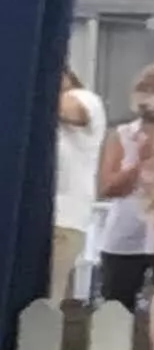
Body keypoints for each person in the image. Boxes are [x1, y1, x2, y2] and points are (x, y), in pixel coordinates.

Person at [85, 74, 154, 332]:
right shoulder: (123, 135)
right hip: (125, 236)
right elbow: (108, 187)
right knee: (116, 308)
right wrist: (140, 160)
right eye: (144, 92)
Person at [43, 67, 97, 310]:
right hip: (41, 217)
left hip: (64, 219)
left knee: (47, 298)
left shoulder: (86, 99)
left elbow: (73, 112)